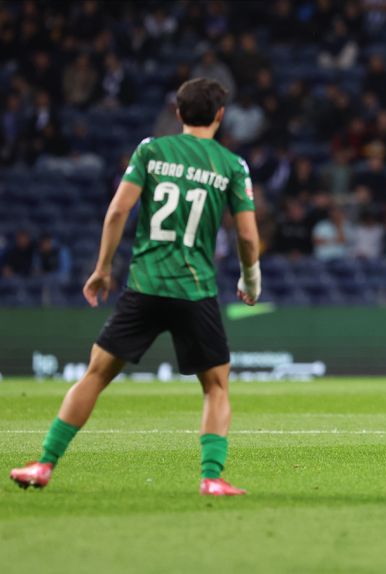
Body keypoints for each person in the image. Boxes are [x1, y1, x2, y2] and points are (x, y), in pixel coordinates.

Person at [10, 78, 261, 496]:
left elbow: (117, 211)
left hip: (144, 287)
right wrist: (250, 279)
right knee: (215, 386)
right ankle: (212, 478)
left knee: (94, 375)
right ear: (220, 116)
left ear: (178, 114)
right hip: (195, 291)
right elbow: (248, 237)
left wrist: (102, 268)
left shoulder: (150, 150)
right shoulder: (232, 166)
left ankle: (44, 464)